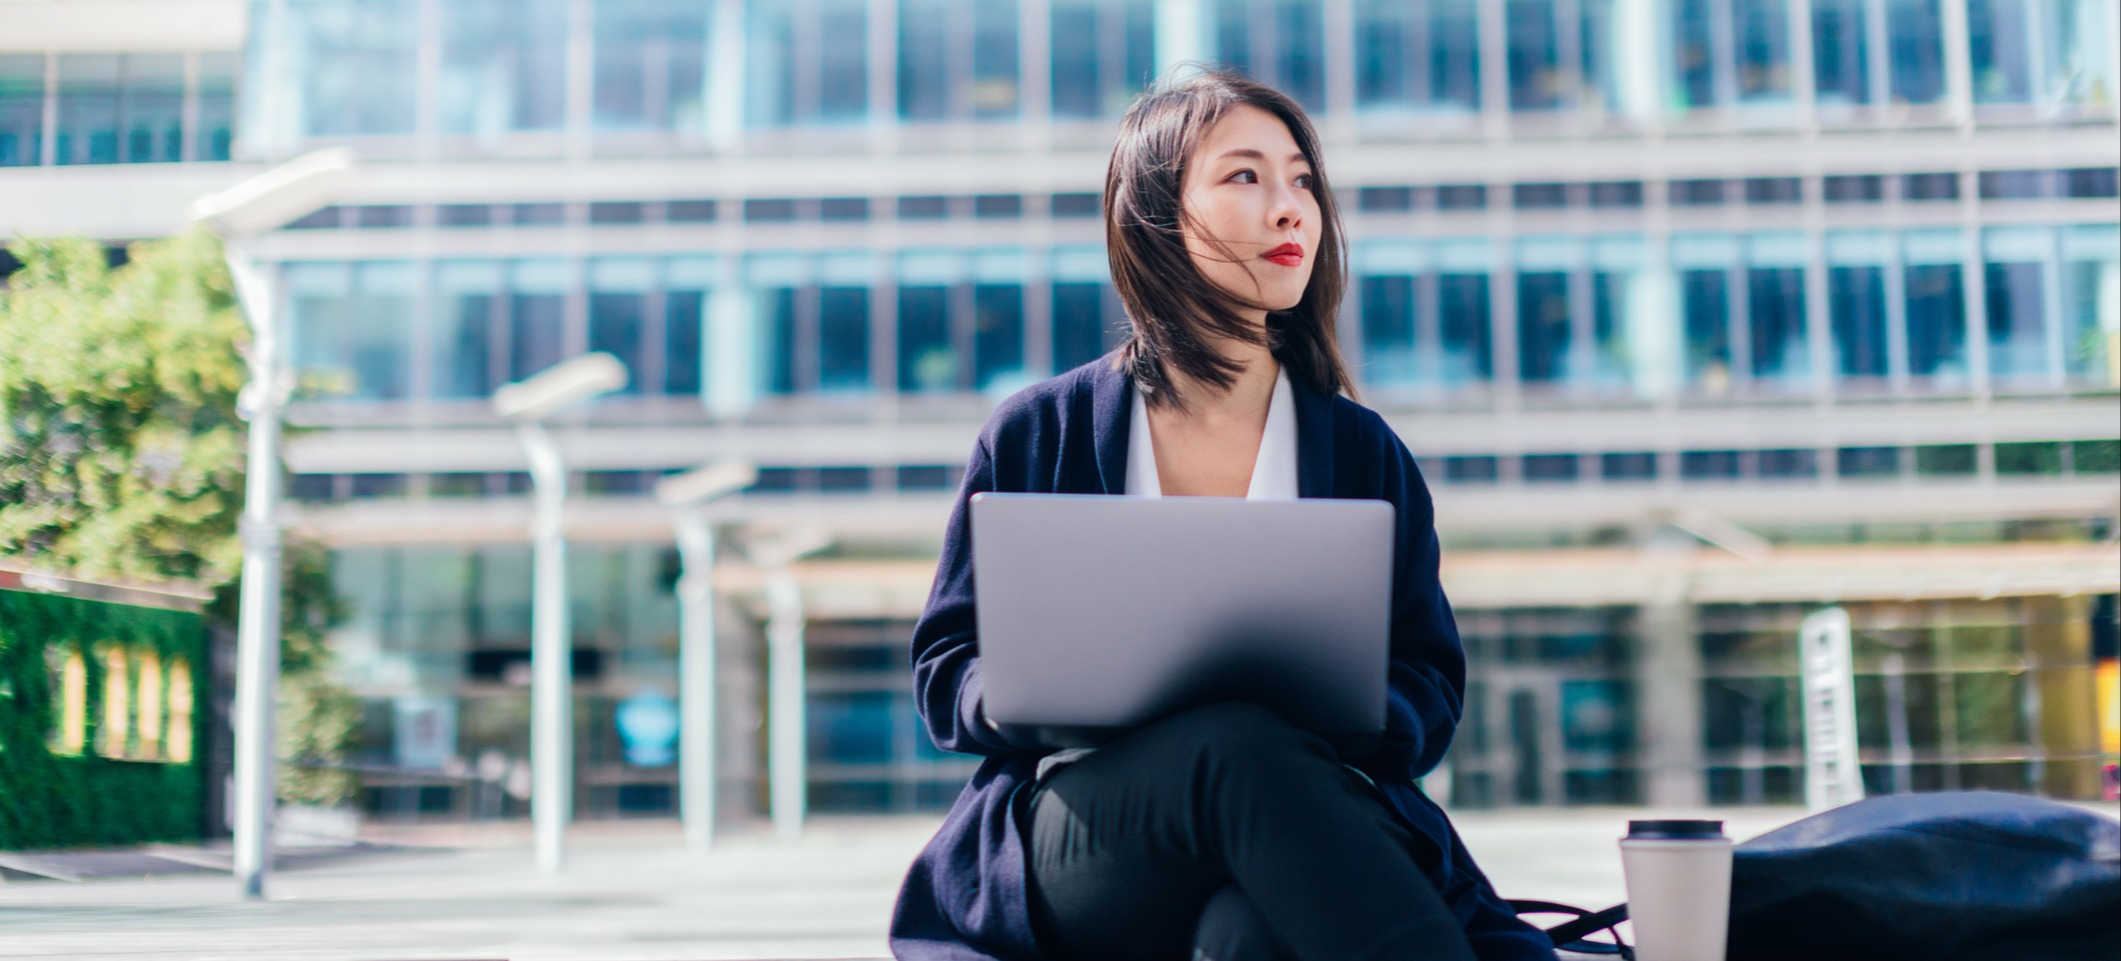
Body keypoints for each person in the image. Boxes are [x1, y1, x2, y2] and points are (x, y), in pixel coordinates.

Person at [889, 69, 1556, 961]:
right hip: (1088, 833)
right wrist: (1025, 689)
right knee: (1228, 745)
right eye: (1245, 176)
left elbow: (1428, 690)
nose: (1290, 210)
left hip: (1297, 811)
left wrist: (1352, 705)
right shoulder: (1038, 432)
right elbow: (946, 670)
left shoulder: (1362, 453)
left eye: (1302, 180)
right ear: (1155, 213)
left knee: (1243, 932)